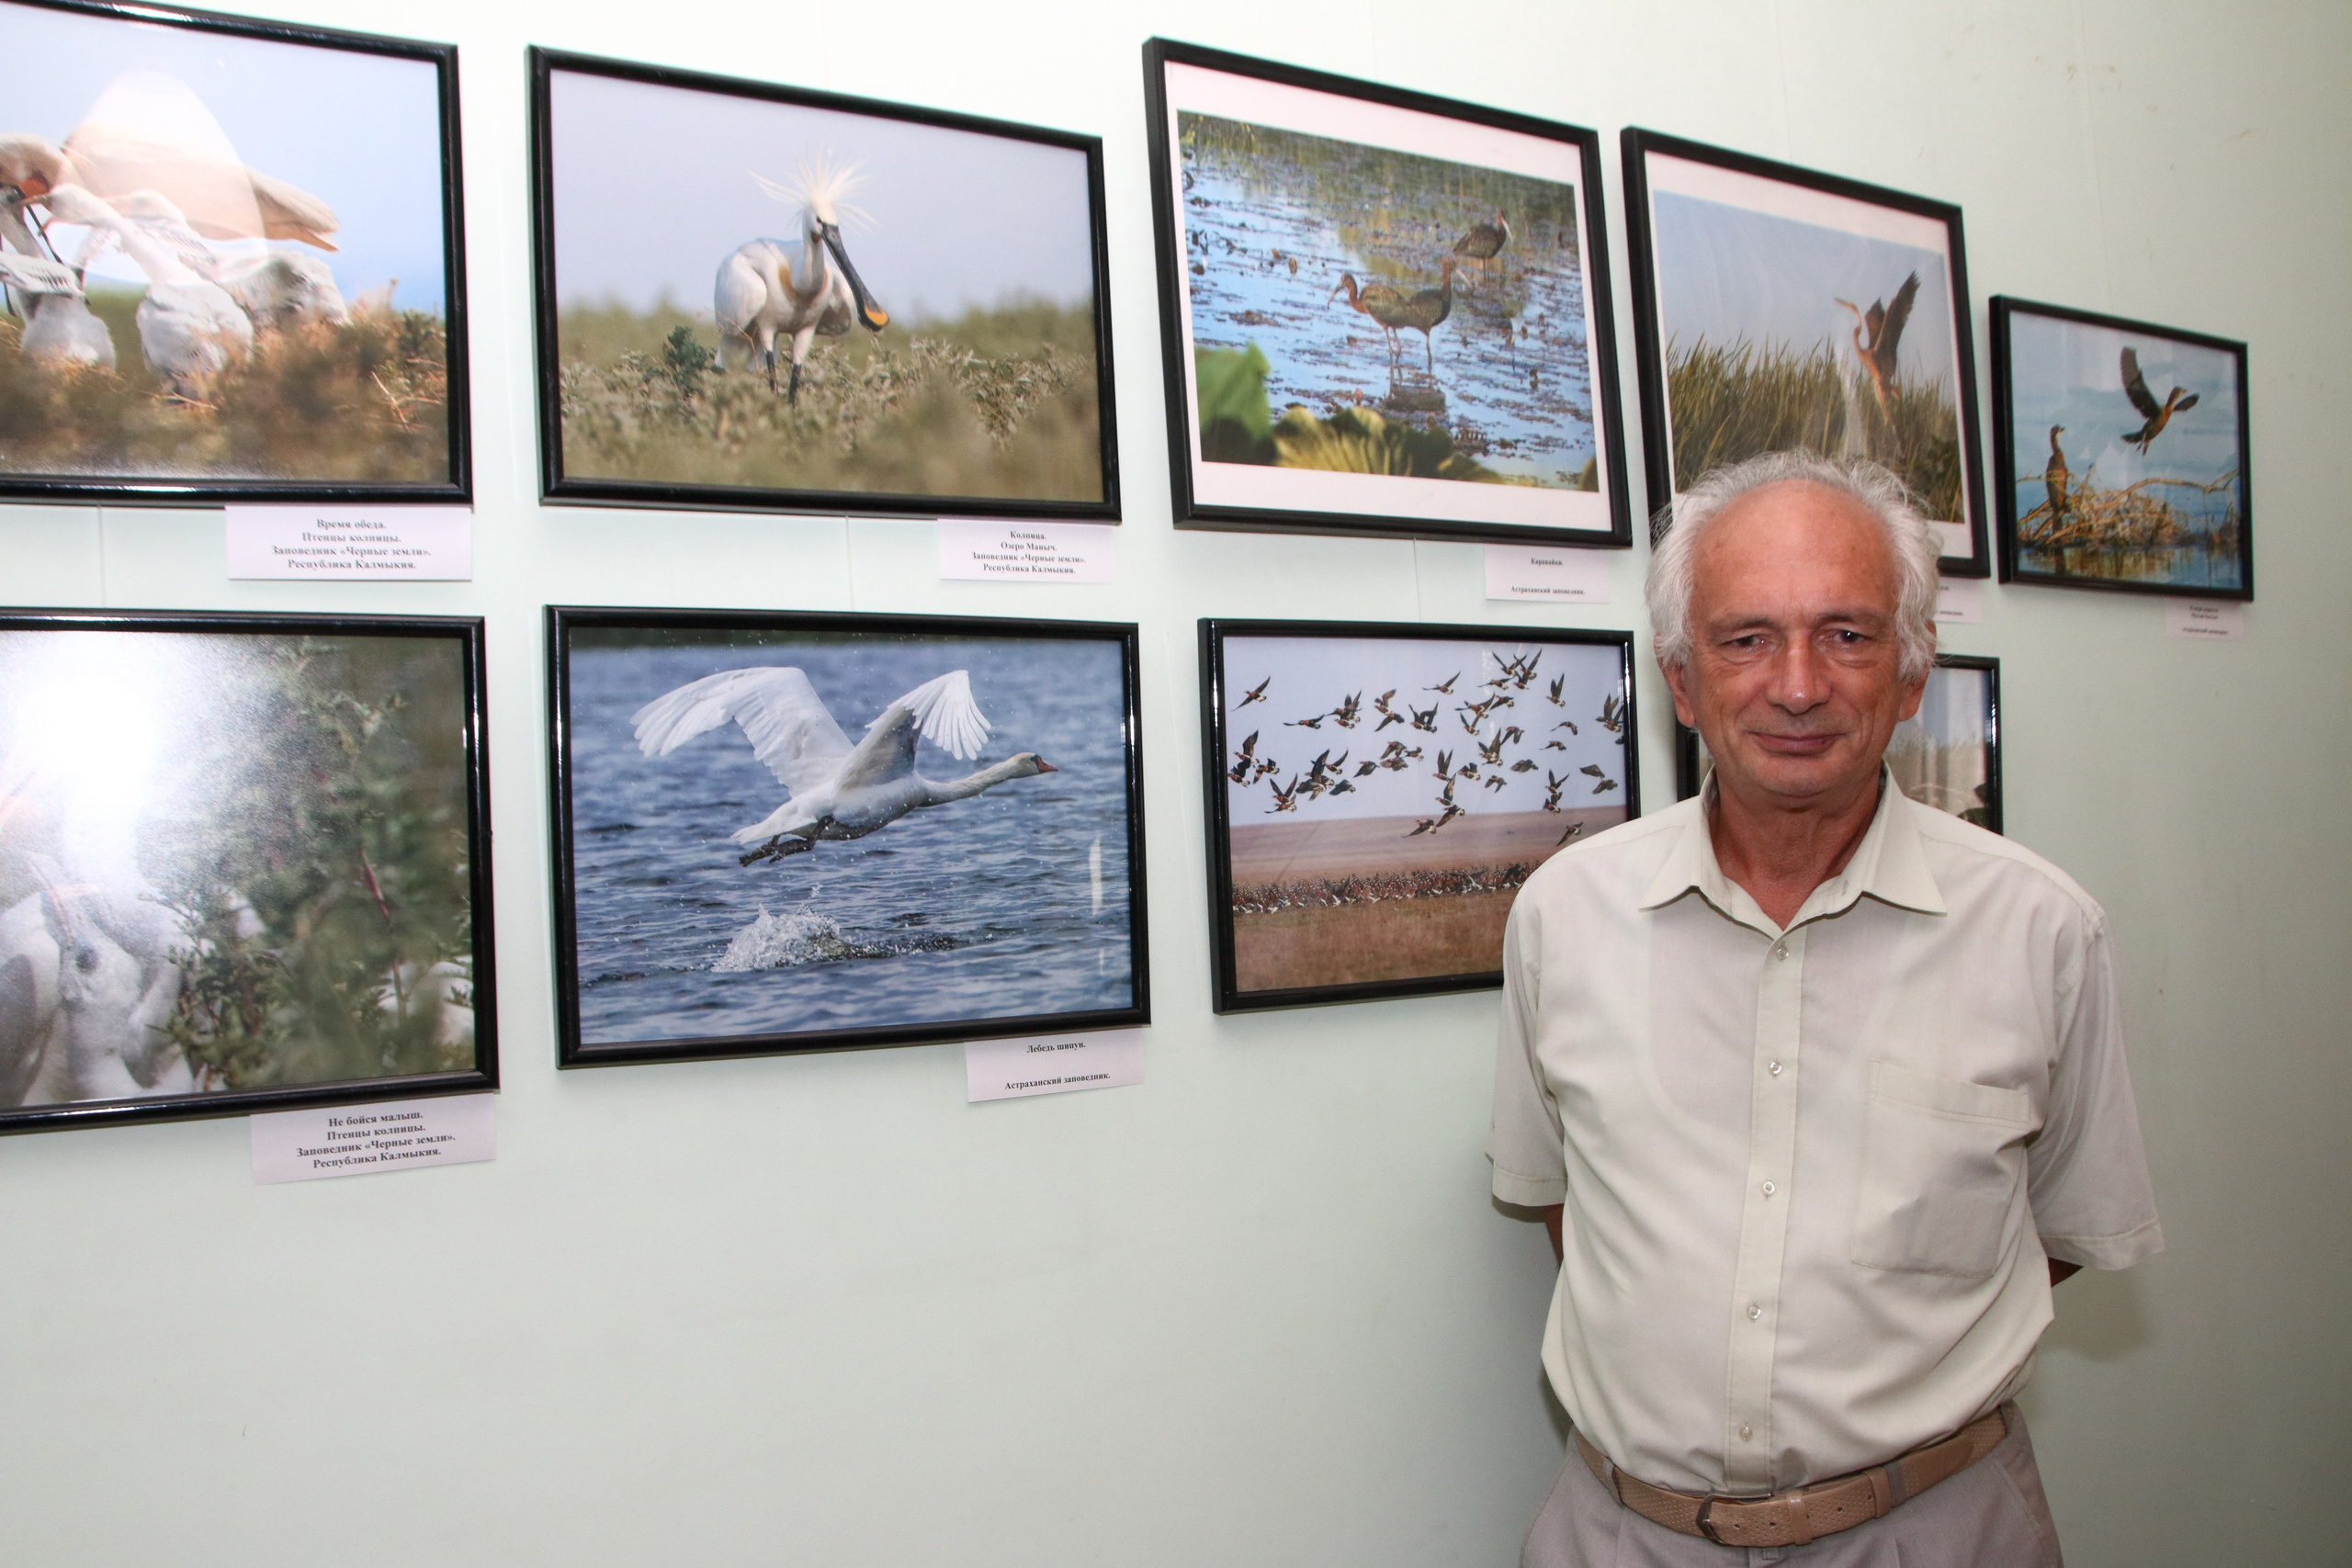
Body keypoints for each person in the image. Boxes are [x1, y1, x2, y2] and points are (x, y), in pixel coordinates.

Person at [1488, 452, 2163, 1565]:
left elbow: (2056, 1233)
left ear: (1909, 675)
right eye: (1744, 637)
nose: (1796, 684)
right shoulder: (1564, 915)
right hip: (1622, 1537)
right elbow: (1567, 1206)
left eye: (1846, 634)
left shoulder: (2042, 932)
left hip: (1933, 1532)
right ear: (1679, 678)